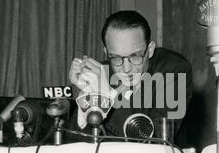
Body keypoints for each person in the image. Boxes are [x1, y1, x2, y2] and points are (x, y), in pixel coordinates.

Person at [68, 10, 192, 140]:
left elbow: (154, 141)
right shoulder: (103, 71)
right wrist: (88, 95)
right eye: (116, 58)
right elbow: (71, 141)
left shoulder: (174, 70)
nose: (126, 69)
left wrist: (107, 94)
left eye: (135, 56)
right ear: (106, 52)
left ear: (150, 50)